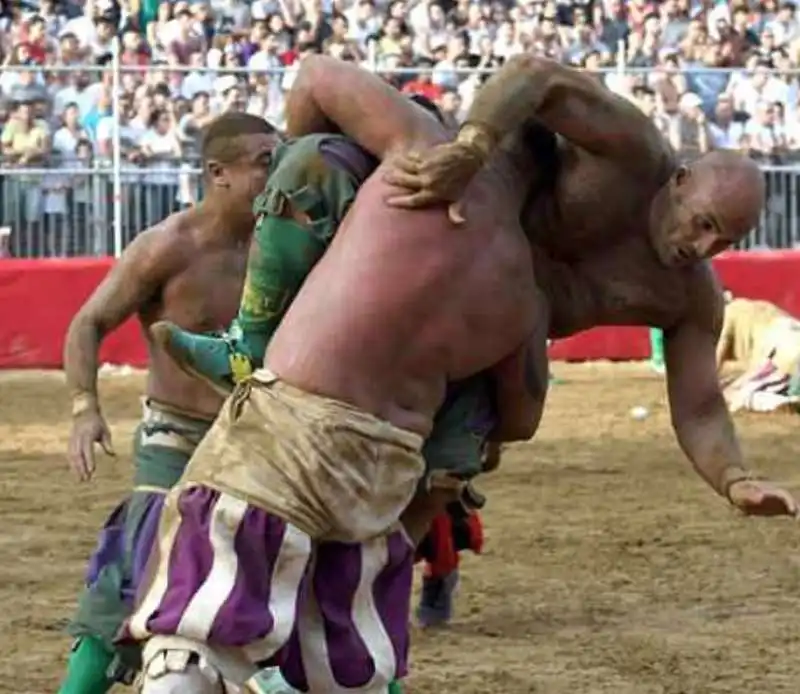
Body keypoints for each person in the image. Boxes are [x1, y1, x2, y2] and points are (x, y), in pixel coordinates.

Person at [118, 56, 547, 694]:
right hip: (394, 461)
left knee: (193, 631)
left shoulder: (372, 204)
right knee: (368, 592)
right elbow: (520, 418)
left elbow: (315, 86)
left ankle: (249, 347)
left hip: (308, 441)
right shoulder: (513, 273)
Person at [382, 55, 798, 518]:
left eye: (724, 241)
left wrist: (734, 478)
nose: (704, 247)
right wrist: (473, 146)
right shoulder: (632, 151)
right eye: (703, 224)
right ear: (679, 183)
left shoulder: (688, 295)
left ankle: (444, 534)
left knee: (515, 419)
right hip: (455, 226)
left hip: (499, 339)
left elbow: (699, 408)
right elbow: (534, 74)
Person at [58, 112, 282, 694]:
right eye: (262, 160)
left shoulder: (287, 244)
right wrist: (85, 406)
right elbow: (87, 322)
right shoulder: (167, 246)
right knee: (134, 569)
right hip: (176, 437)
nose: (275, 170)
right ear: (218, 173)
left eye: (277, 156)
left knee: (311, 571)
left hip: (265, 437)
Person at [716, 291, 800, 413]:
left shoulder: (727, 313)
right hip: (791, 334)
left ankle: (782, 402)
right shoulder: (761, 307)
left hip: (778, 349)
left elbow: (713, 369)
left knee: (733, 394)